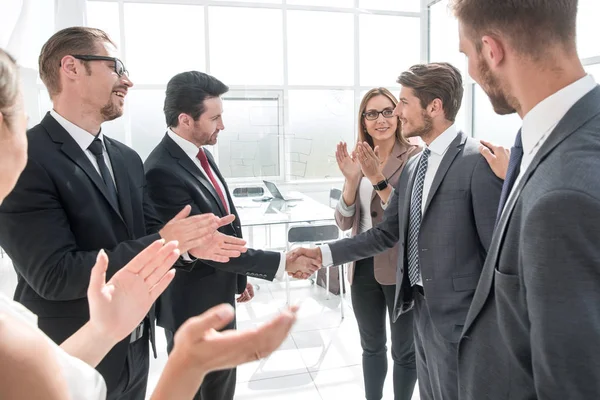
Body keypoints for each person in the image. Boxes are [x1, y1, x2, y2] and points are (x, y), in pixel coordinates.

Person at [0, 46, 299, 400]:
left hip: (134, 346)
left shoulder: (126, 158)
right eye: (116, 67)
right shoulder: (35, 156)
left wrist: (183, 247)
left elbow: (148, 235)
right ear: (71, 68)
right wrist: (165, 241)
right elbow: (55, 275)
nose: (127, 80)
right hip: (69, 344)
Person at [294, 63, 503, 400]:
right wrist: (322, 255)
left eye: (403, 103)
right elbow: (388, 231)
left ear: (434, 106)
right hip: (418, 309)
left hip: (459, 323)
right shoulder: (417, 167)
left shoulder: (477, 160)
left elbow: (497, 253)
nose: (397, 114)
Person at [449, 1, 600, 398]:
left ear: (492, 49)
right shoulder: (558, 138)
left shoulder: (562, 199)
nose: (469, 70)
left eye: (467, 54)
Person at [144, 70, 320, 400]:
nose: (222, 126)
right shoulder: (161, 170)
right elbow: (206, 246)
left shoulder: (201, 155)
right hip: (191, 307)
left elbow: (224, 226)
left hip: (216, 294)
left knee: (222, 389)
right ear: (185, 119)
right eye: (215, 118)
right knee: (200, 392)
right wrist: (282, 263)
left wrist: (239, 278)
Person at [333, 87, 420, 400]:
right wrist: (352, 180)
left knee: (404, 351)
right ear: (364, 121)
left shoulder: (414, 157)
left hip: (399, 270)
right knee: (371, 347)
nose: (381, 119)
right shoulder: (360, 158)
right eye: (372, 113)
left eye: (387, 111)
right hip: (362, 268)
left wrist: (376, 179)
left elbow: (410, 218)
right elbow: (344, 222)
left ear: (397, 115)